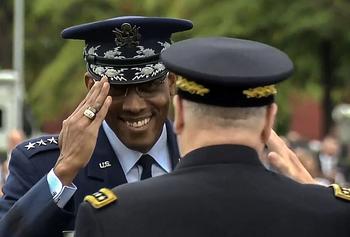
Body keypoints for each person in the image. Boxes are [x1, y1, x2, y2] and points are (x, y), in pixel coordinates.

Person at [74, 37, 350, 237]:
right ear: (269, 121)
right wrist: (319, 201)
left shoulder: (113, 216)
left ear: (179, 113)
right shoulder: (331, 214)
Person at [0, 16, 193, 237]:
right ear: (91, 86)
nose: (134, 106)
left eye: (148, 86)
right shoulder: (41, 166)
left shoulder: (201, 155)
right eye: (117, 89)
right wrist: (64, 171)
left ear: (171, 83)